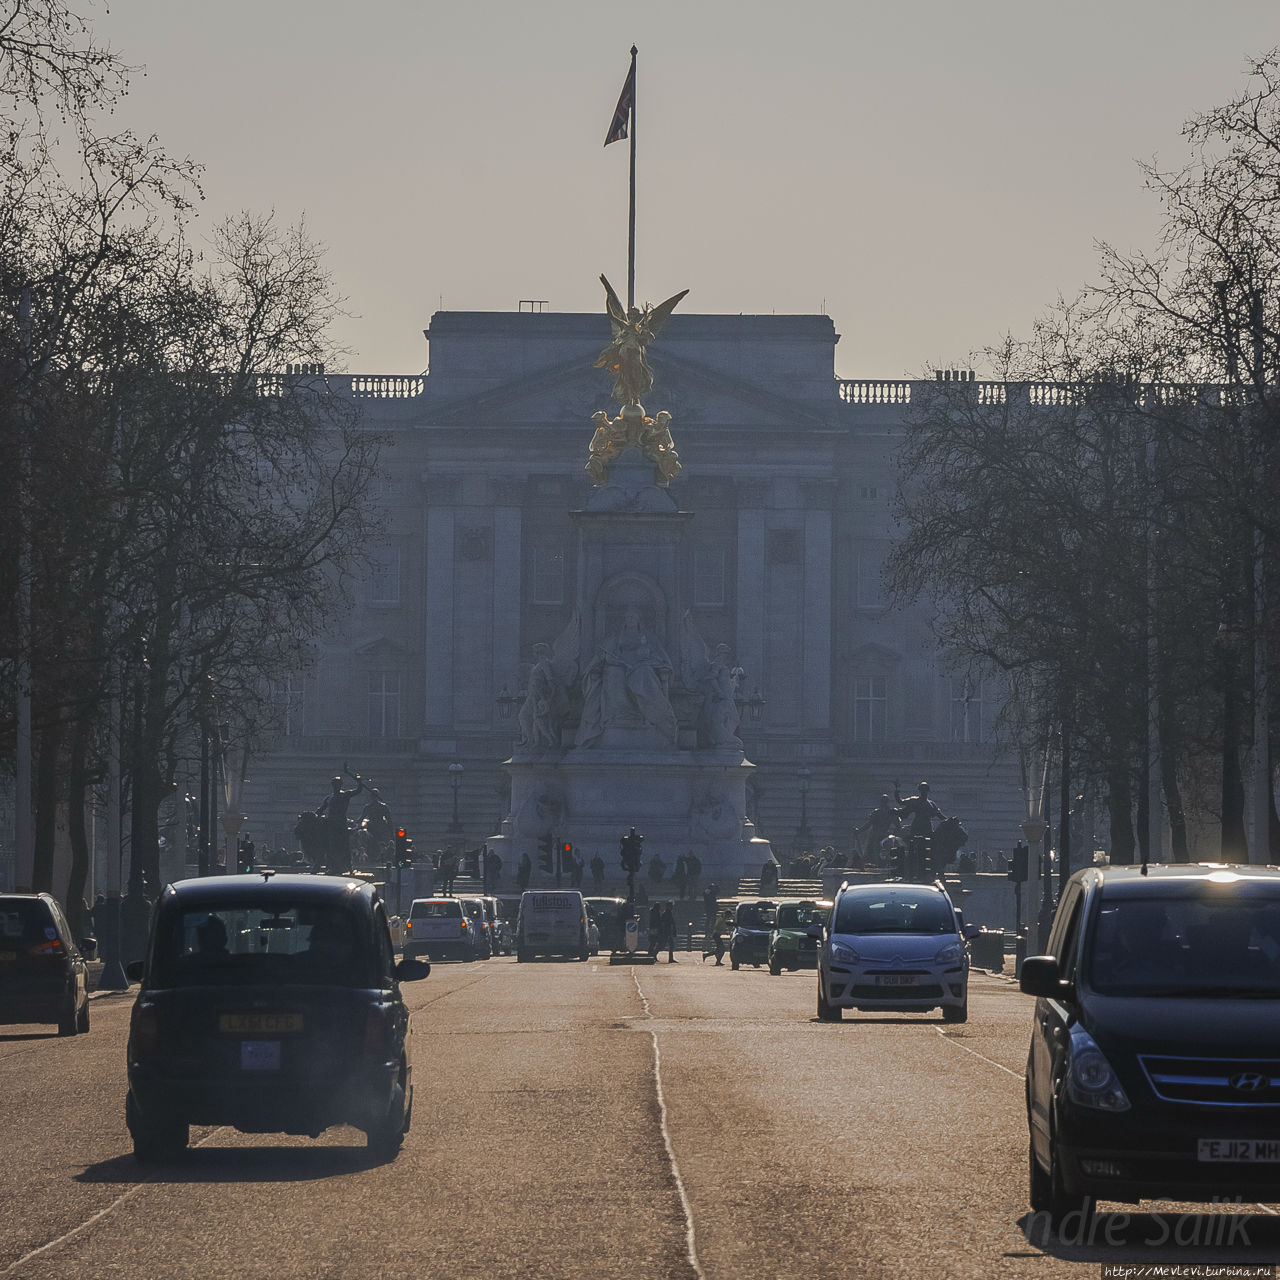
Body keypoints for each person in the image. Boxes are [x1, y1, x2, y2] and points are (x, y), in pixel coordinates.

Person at [577, 608, 678, 748]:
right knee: (613, 674)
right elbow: (604, 653)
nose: (630, 620)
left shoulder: (648, 637)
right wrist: (609, 659)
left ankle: (651, 712)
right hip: (619, 666)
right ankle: (618, 716)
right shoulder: (616, 637)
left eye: (633, 617)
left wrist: (646, 656)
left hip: (642, 666)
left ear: (638, 620)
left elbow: (659, 655)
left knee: (644, 674)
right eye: (628, 617)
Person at [316, 774, 363, 867]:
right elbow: (321, 809)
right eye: (334, 784)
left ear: (341, 785)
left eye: (337, 784)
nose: (336, 786)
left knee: (344, 843)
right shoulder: (329, 798)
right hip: (330, 823)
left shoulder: (345, 794)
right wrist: (315, 815)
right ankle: (329, 864)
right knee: (328, 843)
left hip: (341, 823)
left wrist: (359, 781)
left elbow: (358, 790)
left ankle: (348, 864)